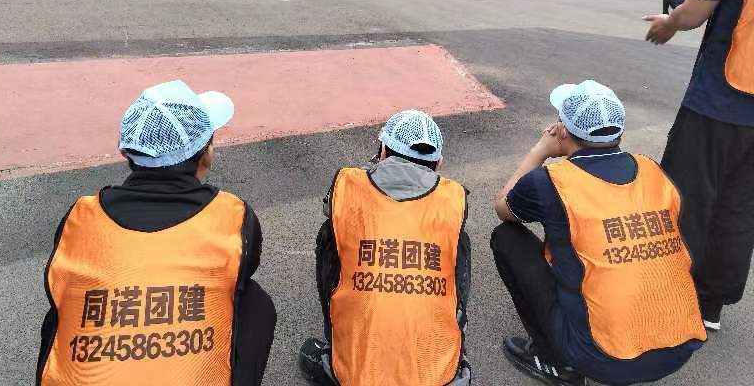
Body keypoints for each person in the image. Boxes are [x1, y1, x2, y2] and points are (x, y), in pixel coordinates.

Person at [35, 80, 276, 386]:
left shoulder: (81, 215)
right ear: (206, 155)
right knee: (254, 302)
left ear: (129, 153)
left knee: (62, 311)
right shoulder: (232, 214)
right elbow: (241, 273)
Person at [493, 80, 706, 386]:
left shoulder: (549, 181)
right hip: (678, 348)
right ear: (618, 132)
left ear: (562, 131)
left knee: (506, 238)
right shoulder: (650, 170)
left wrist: (540, 151)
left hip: (603, 359)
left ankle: (555, 363)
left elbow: (504, 208)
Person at [299, 110, 472, 386]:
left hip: (356, 378)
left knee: (332, 233)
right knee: (457, 241)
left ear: (382, 150)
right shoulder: (452, 199)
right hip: (441, 379)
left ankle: (337, 352)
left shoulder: (349, 186)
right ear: (438, 163)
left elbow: (335, 213)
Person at [644, 0, 754, 333]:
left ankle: (667, 293)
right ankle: (710, 302)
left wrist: (669, 22)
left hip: (722, 98)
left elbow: (694, 12)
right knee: (740, 206)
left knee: (686, 196)